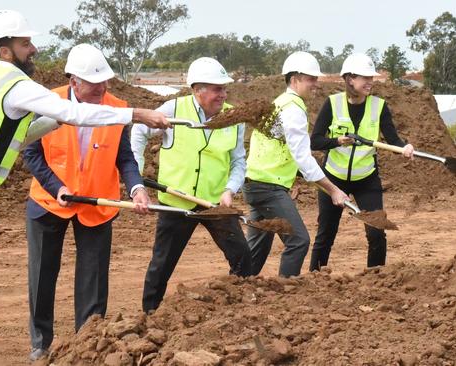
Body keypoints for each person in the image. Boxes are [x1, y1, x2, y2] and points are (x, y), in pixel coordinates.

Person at [0, 10, 169, 366]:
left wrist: (53, 120)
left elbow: (18, 134)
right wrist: (138, 114)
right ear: (6, 50)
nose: (34, 49)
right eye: (26, 43)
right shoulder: (17, 84)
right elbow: (75, 116)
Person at [22, 44, 152, 361]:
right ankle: (40, 341)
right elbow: (30, 152)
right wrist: (56, 187)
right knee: (42, 275)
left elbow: (125, 158)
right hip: (49, 201)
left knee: (93, 278)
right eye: (95, 84)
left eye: (105, 82)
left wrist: (135, 187)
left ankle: (87, 340)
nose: (102, 89)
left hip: (97, 202)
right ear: (74, 81)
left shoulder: (117, 108)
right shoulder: (46, 103)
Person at [131, 57, 252, 313]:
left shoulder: (234, 117)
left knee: (242, 257)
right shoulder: (174, 109)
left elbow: (239, 161)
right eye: (217, 88)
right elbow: (139, 131)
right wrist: (136, 174)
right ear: (198, 90)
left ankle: (239, 311)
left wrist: (230, 190)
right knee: (162, 264)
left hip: (214, 202)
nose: (223, 94)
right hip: (176, 202)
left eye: (224, 88)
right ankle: (149, 314)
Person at [243, 51, 349, 278]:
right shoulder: (293, 107)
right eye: (311, 79)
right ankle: (285, 293)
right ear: (295, 79)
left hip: (256, 183)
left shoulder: (280, 103)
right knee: (298, 241)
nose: (315, 84)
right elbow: (302, 157)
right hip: (267, 187)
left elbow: (292, 155)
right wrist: (334, 190)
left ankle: (237, 289)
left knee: (257, 248)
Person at [308, 52, 414, 271]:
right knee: (326, 233)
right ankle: (315, 277)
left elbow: (392, 138)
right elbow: (315, 141)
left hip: (366, 179)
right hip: (333, 179)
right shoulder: (332, 104)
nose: (370, 82)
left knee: (376, 231)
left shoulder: (379, 106)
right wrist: (337, 141)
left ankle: (376, 279)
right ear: (350, 79)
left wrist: (404, 147)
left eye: (371, 78)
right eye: (365, 77)